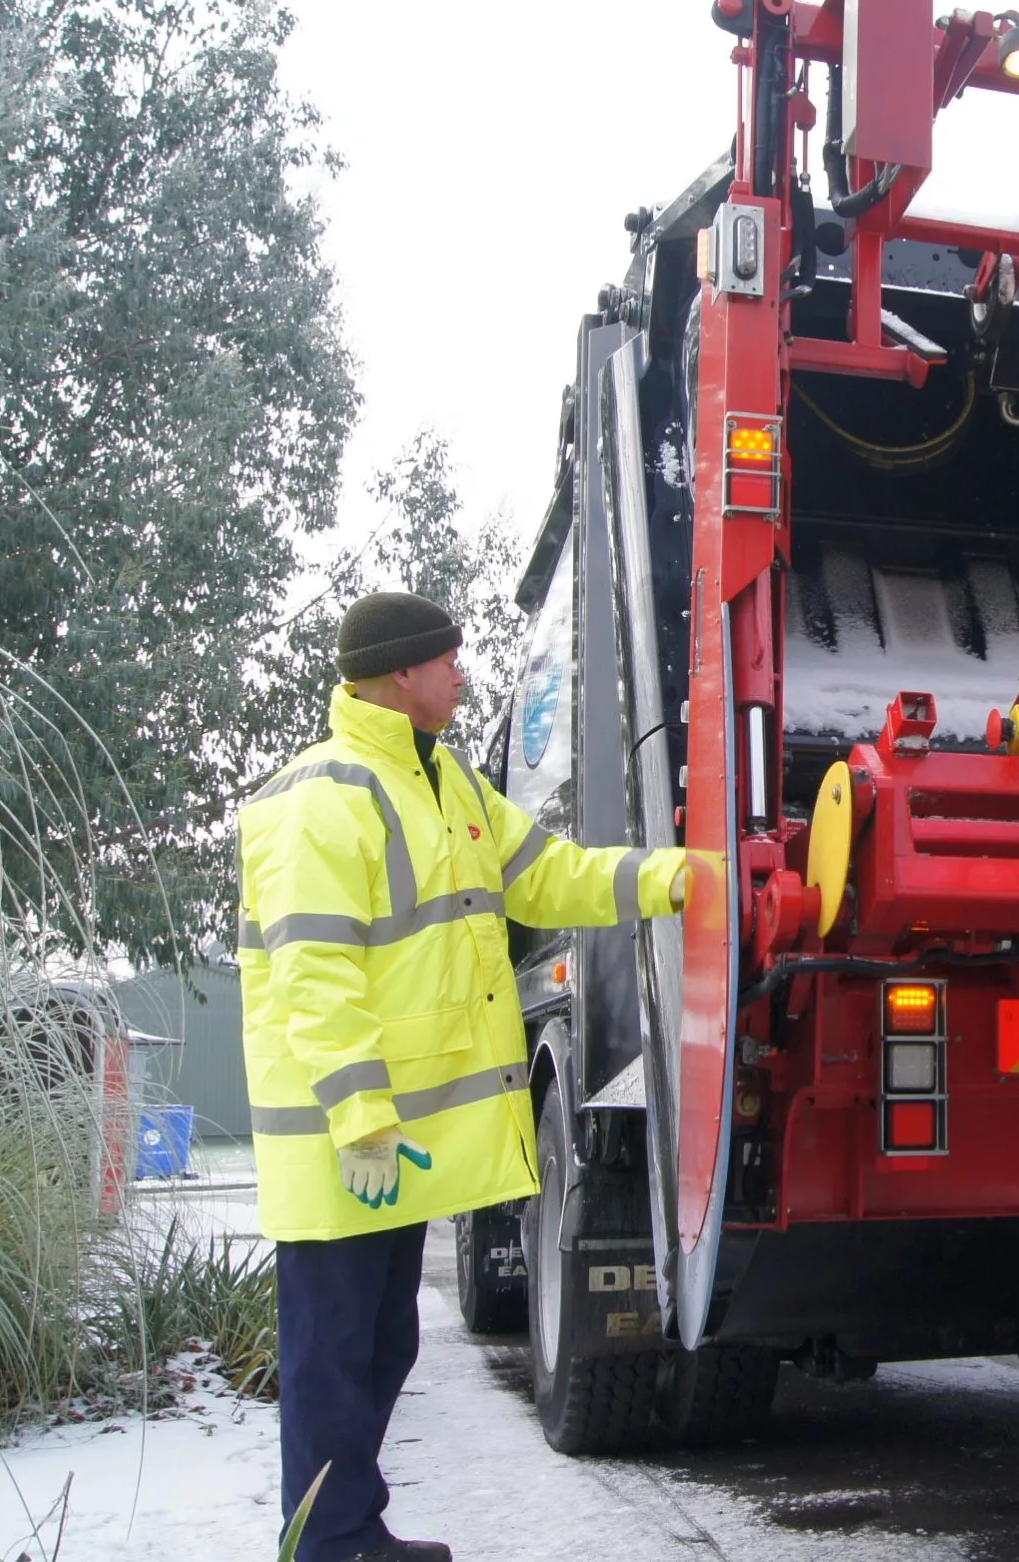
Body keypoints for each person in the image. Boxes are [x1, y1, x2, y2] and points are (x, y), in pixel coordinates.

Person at [238, 591, 688, 1562]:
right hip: (341, 1147)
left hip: (390, 1145)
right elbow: (312, 971)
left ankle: (352, 1531)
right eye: (449, 659)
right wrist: (359, 1117)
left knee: (379, 1347)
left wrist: (672, 879)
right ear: (403, 672)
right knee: (331, 1360)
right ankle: (324, 1547)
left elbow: (551, 875)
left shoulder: (447, 787)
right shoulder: (319, 797)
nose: (462, 674)